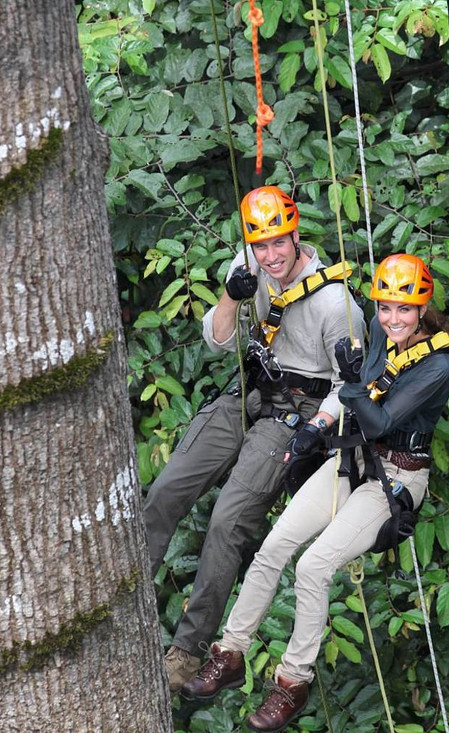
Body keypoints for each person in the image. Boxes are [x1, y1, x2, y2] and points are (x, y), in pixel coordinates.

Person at [180, 254, 449, 733]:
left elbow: (382, 418)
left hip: (395, 478)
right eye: (386, 307)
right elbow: (363, 388)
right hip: (353, 459)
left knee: (314, 566)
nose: (392, 319)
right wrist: (317, 427)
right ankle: (229, 653)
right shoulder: (374, 325)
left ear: (423, 308)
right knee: (272, 549)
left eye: (405, 310)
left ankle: (293, 680)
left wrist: (350, 386)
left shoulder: (439, 364)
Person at [144, 185, 365, 692]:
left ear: (295, 235)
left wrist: (317, 428)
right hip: (248, 390)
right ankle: (127, 593)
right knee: (166, 490)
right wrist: (231, 293)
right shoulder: (250, 267)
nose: (270, 256)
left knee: (227, 521)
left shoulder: (335, 302)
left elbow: (348, 386)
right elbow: (219, 340)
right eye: (261, 246)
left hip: (298, 409)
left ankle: (187, 651)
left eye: (278, 244)